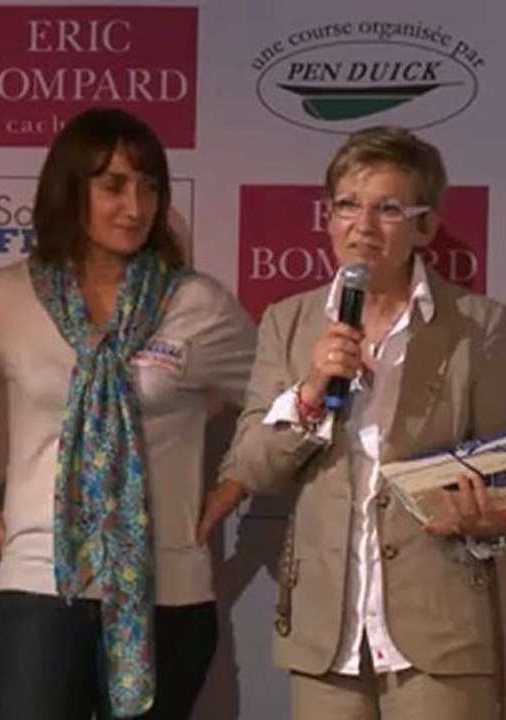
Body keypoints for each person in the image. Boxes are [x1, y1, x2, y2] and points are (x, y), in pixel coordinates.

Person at [0, 107, 255, 719]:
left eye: (149, 186)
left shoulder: (197, 303)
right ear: (70, 189)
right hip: (41, 584)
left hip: (168, 591)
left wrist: (235, 483)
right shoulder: (6, 297)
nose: (134, 207)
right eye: (112, 186)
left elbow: (278, 401)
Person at [201, 126, 506, 719]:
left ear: (425, 226)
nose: (362, 226)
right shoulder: (290, 323)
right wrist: (313, 390)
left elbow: (500, 465)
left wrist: (487, 514)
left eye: (388, 208)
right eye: (347, 205)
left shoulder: (477, 326)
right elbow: (251, 467)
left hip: (441, 630)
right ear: (327, 217)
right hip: (326, 634)